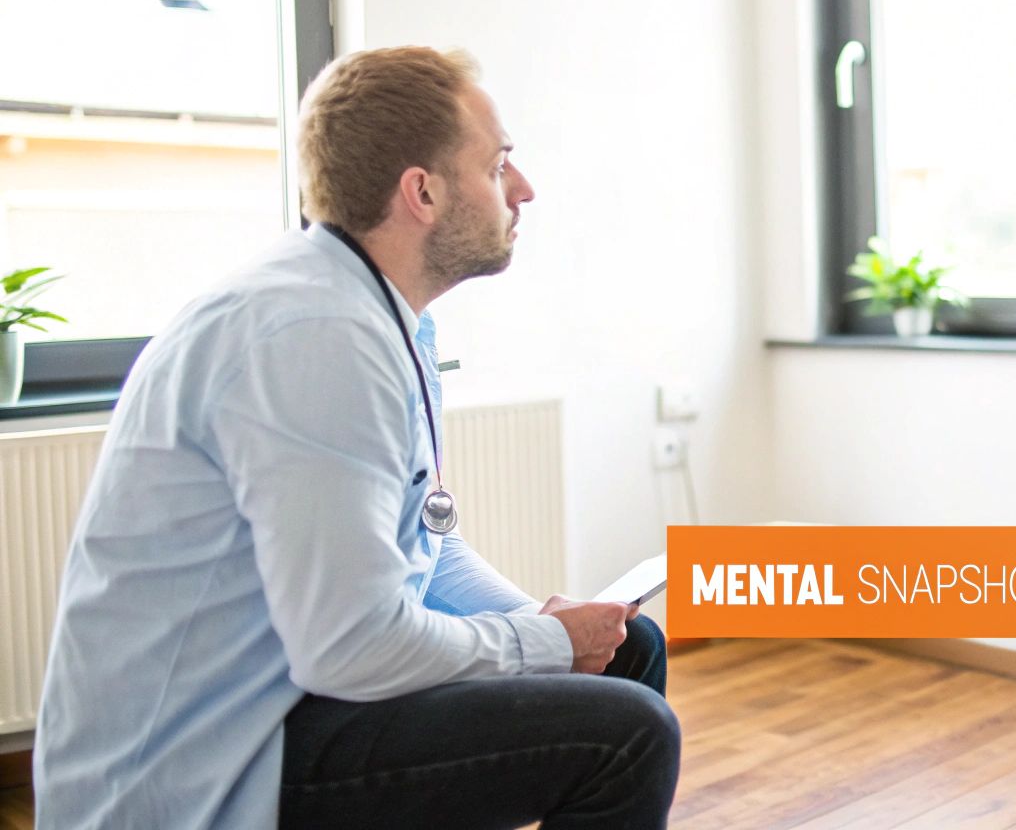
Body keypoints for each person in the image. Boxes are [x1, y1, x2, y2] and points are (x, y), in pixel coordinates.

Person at [34, 47, 681, 829]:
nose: (523, 188)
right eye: (499, 163)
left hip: (288, 699)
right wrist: (539, 645)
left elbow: (427, 543)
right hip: (197, 768)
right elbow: (351, 648)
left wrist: (563, 645)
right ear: (423, 192)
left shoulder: (379, 314)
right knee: (629, 737)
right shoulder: (316, 334)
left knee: (627, 653)